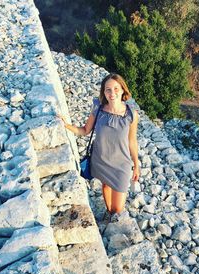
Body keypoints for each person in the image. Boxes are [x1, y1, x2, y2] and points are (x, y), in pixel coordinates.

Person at [59, 73, 140, 218]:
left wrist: (136, 165)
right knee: (106, 186)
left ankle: (112, 212)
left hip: (122, 165)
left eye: (116, 88)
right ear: (104, 92)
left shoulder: (131, 115)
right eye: (108, 89)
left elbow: (132, 141)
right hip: (101, 160)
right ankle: (108, 213)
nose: (112, 93)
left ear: (123, 90)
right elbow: (84, 131)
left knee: (118, 208)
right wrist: (66, 125)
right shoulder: (98, 110)